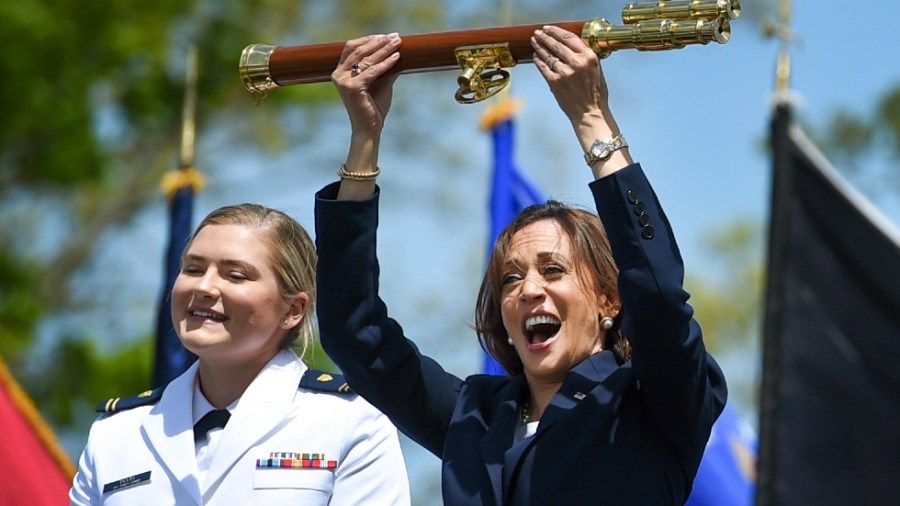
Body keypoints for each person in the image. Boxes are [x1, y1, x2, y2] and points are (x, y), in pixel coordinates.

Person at [314, 27, 727, 505]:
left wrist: (593, 119)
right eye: (511, 278)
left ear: (609, 299)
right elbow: (354, 333)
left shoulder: (652, 402)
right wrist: (365, 138)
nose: (529, 289)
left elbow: (657, 293)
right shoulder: (474, 417)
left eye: (553, 271)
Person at [69, 204, 410, 505]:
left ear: (293, 310)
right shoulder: (117, 433)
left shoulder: (352, 421)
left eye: (235, 275)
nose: (203, 287)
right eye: (193, 269)